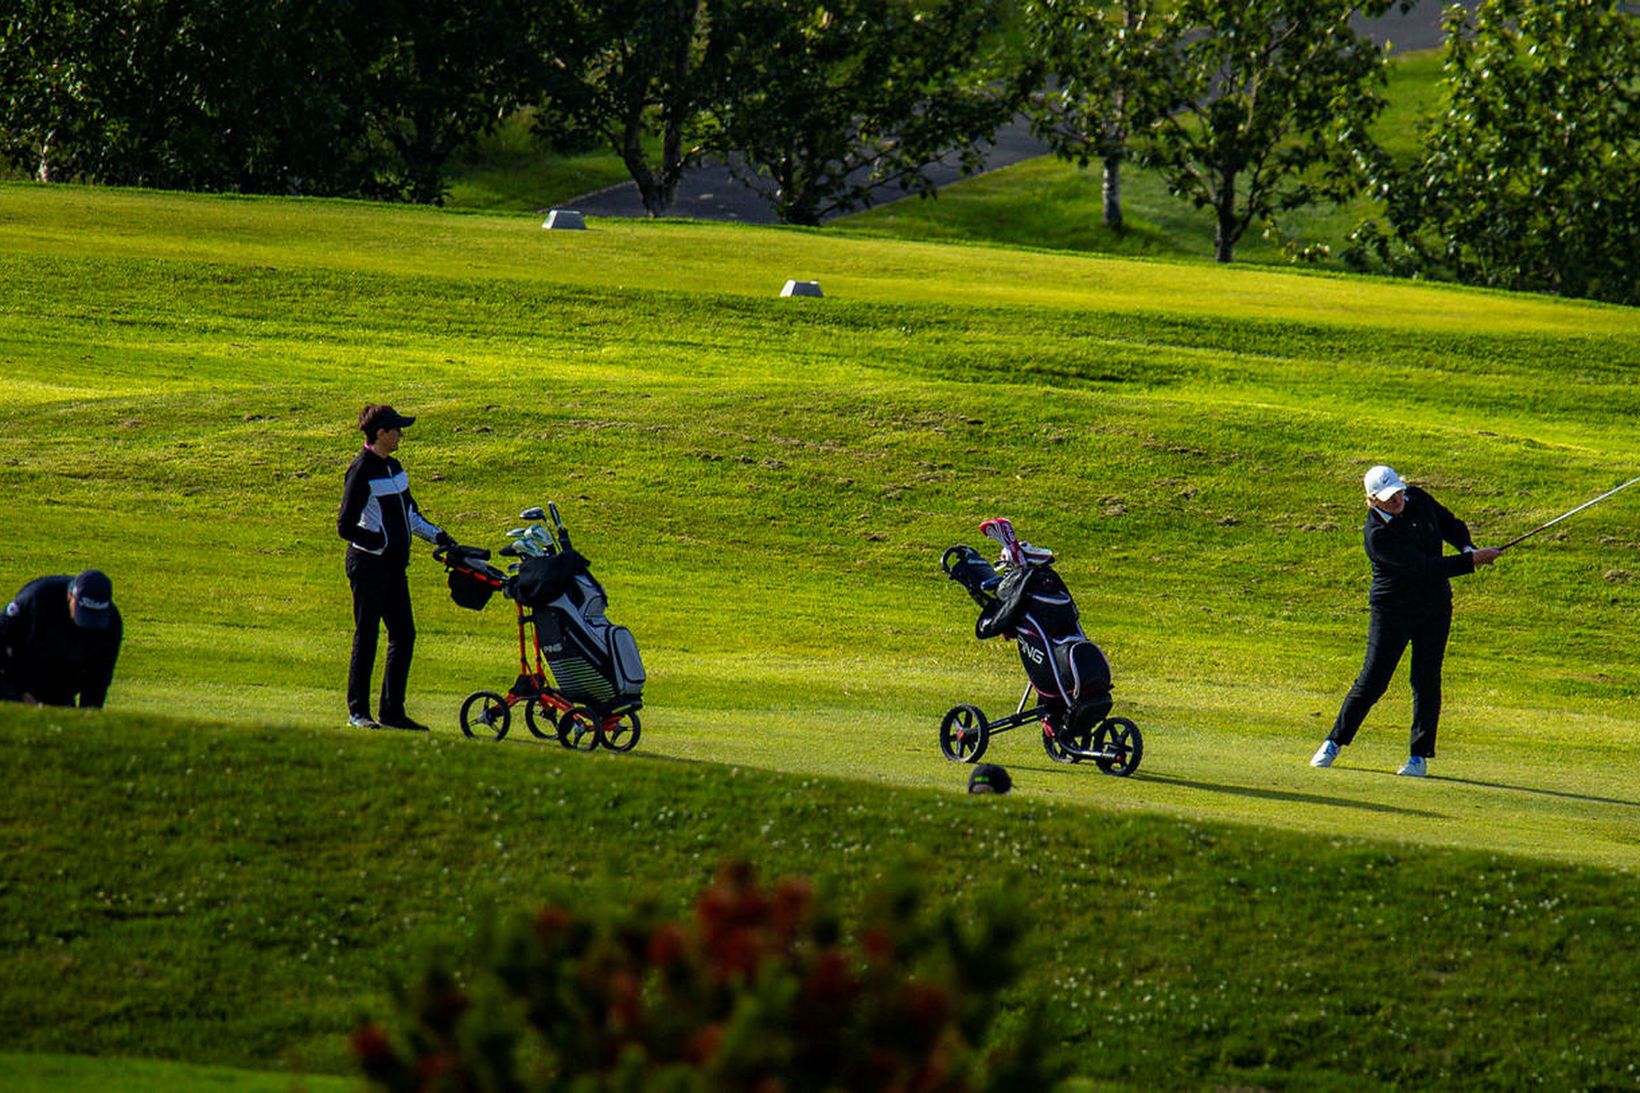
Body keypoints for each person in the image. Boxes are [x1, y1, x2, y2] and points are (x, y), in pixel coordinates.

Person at [1311, 465, 1500, 777]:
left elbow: (1449, 523)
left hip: (1435, 606)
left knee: (1426, 679)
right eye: (1389, 497)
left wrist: (1467, 546)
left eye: (1398, 491)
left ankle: (1418, 758)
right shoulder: (1377, 535)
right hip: (1393, 610)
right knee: (1373, 681)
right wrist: (1473, 561)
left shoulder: (1417, 498)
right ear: (1372, 500)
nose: (1397, 499)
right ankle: (1334, 742)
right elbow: (1424, 568)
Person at [337, 404, 453, 731]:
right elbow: (345, 526)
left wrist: (441, 537)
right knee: (368, 635)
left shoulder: (396, 468)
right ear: (382, 433)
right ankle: (358, 712)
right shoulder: (361, 471)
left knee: (404, 634)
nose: (401, 434)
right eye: (397, 429)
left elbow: (411, 515)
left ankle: (392, 712)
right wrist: (378, 543)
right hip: (368, 567)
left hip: (393, 568)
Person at [0, 569, 123, 708]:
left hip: (61, 690)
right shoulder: (37, 598)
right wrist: (18, 692)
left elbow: (99, 680)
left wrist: (86, 719)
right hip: (16, 679)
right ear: (71, 596)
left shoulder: (111, 625)